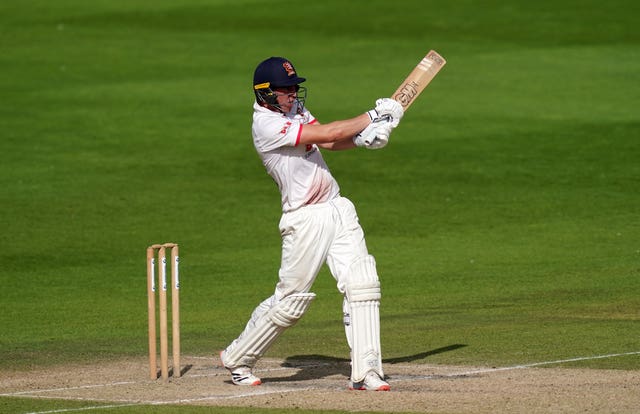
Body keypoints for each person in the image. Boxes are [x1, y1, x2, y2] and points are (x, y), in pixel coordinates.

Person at [220, 56, 403, 391]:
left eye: (294, 87)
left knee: (362, 283)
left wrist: (362, 139)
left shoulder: (293, 112)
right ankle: (237, 357)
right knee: (291, 302)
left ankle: (366, 371)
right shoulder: (266, 125)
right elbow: (329, 130)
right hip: (305, 219)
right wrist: (374, 116)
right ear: (265, 93)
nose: (292, 93)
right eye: (285, 89)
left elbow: (330, 140)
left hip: (336, 206)